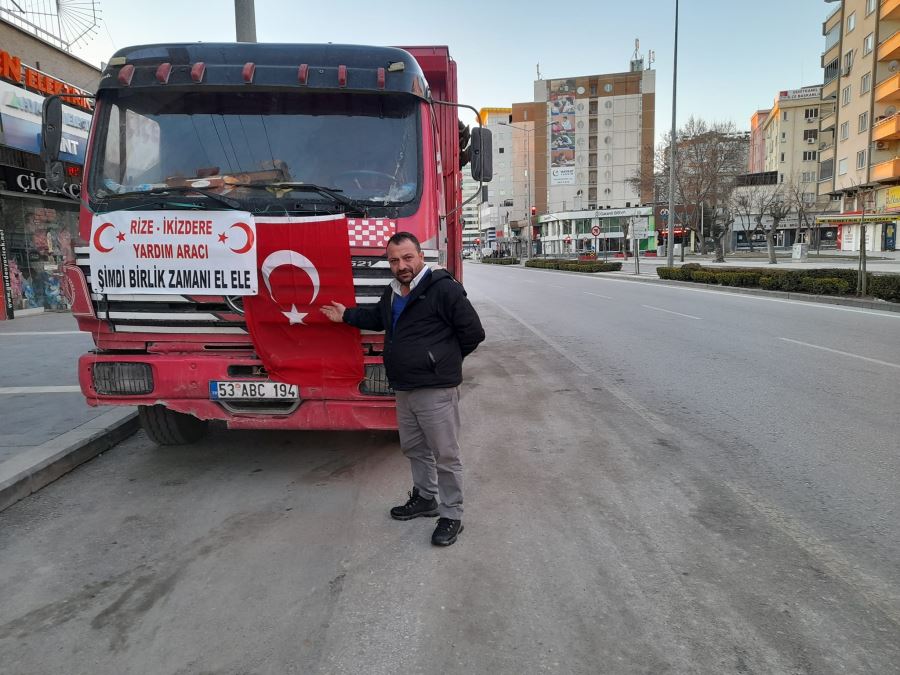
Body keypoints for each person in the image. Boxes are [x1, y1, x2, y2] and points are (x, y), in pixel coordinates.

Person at [321, 232, 484, 546]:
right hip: (404, 388)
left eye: (407, 257)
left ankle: (452, 514)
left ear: (421, 256)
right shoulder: (393, 292)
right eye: (394, 260)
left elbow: (473, 333)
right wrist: (346, 316)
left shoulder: (443, 289)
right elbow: (378, 319)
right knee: (414, 449)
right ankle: (426, 498)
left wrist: (441, 361)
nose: (401, 265)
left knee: (445, 455)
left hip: (435, 389)